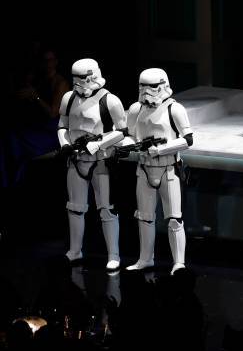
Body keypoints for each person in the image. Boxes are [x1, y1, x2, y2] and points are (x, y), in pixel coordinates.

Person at [57, 58, 127, 270]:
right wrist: (65, 144)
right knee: (75, 208)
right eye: (77, 80)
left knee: (106, 209)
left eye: (85, 80)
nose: (81, 85)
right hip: (77, 159)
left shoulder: (110, 100)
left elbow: (122, 132)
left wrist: (98, 145)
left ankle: (113, 254)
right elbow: (62, 125)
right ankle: (75, 250)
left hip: (101, 160)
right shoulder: (69, 98)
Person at [124, 68, 193, 275]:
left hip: (168, 168)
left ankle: (179, 262)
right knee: (144, 217)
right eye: (142, 87)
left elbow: (188, 139)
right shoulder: (136, 109)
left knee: (174, 218)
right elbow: (129, 135)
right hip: (144, 168)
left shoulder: (174, 109)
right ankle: (146, 258)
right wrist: (127, 146)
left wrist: (161, 149)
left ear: (162, 85)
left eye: (152, 87)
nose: (146, 92)